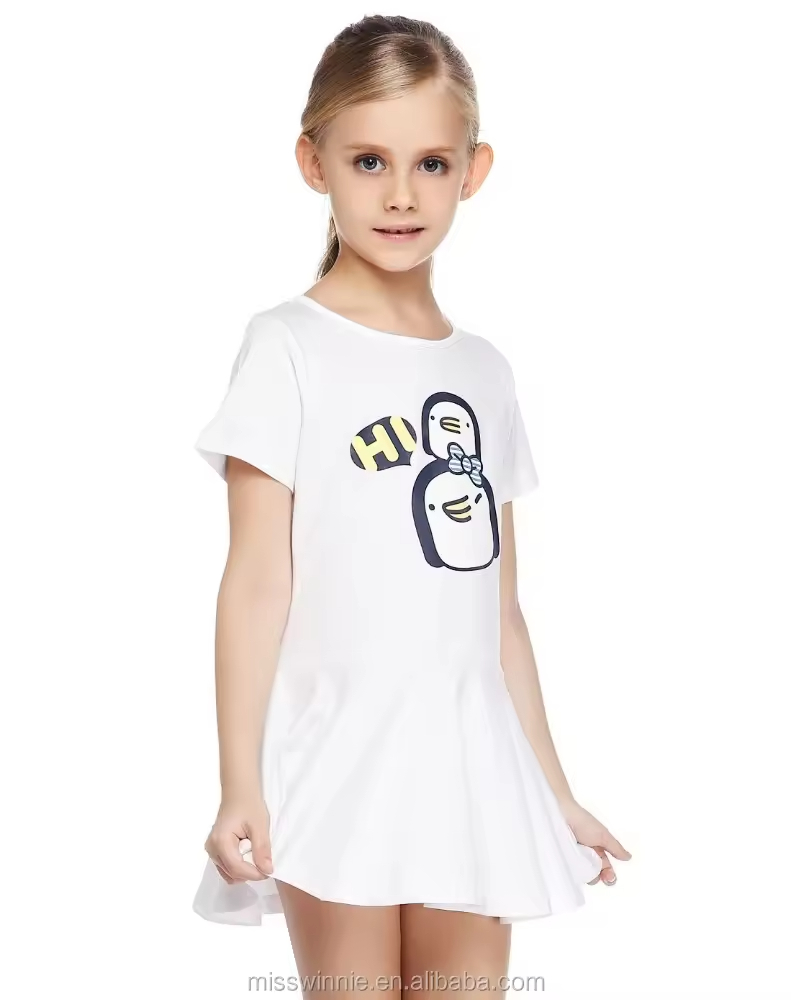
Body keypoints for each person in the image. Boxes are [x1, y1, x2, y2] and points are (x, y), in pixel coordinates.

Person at [191, 13, 631, 995]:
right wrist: (238, 782)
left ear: (473, 171)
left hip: (473, 768)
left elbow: (499, 611)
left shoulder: (485, 372)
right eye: (369, 161)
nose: (400, 194)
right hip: (339, 758)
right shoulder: (288, 346)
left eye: (430, 163)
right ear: (313, 163)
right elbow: (255, 584)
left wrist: (550, 790)